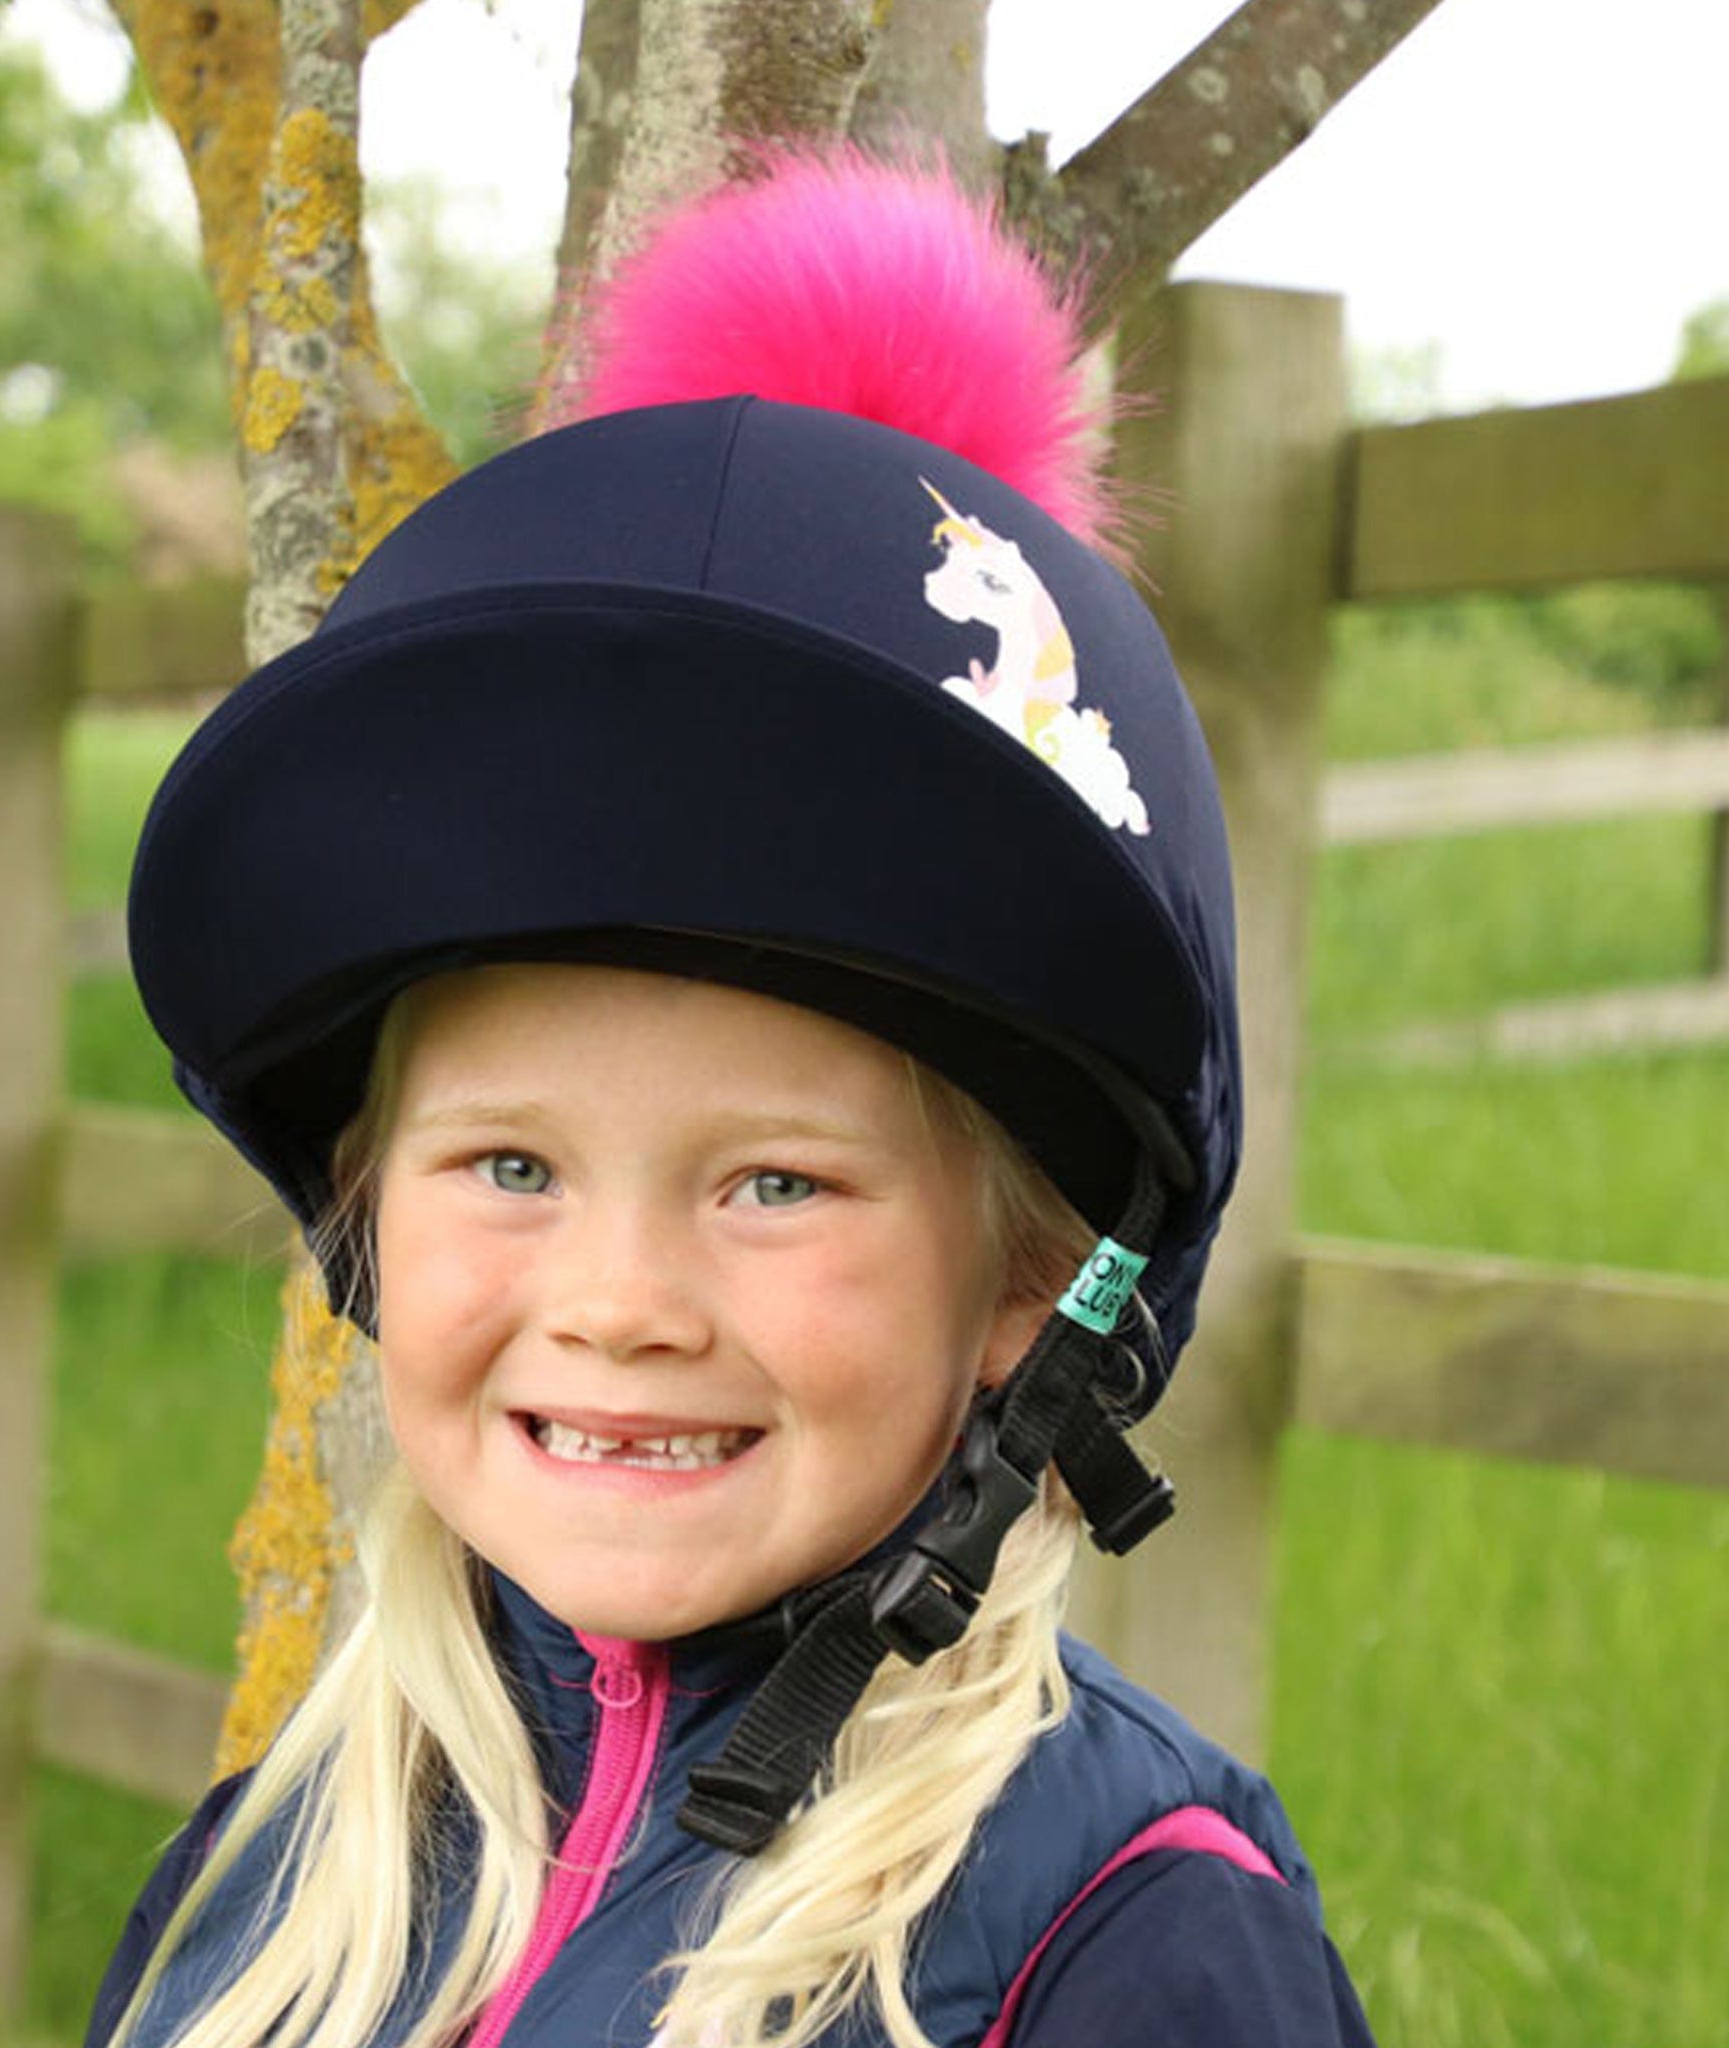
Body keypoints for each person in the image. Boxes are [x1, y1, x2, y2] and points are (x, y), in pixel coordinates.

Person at [92, 150, 1376, 2048]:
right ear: (371, 1207)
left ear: (1037, 1279)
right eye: (511, 1162)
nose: (618, 1301)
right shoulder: (277, 1871)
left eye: (775, 1184)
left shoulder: (1121, 1947)